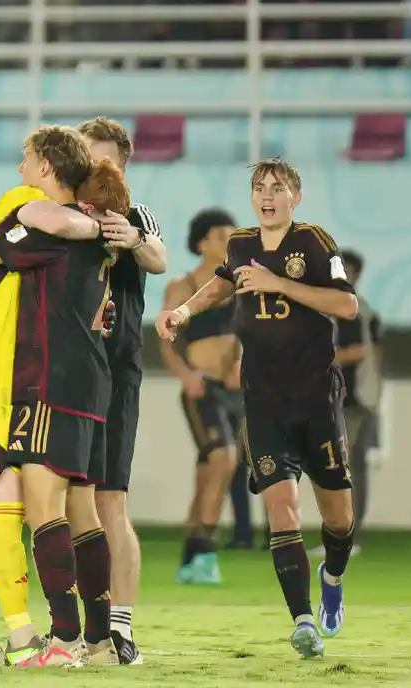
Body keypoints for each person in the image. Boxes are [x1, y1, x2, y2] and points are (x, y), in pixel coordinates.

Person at [155, 158, 359, 659]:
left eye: (277, 187)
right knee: (283, 510)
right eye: (259, 188)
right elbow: (224, 282)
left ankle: (331, 576)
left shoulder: (314, 242)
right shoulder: (241, 244)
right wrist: (182, 311)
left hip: (316, 399)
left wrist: (280, 284)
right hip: (263, 402)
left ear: (296, 197)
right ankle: (303, 620)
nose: (267, 195)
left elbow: (346, 306)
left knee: (338, 519)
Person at [0, 126, 129, 668]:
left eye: (26, 159)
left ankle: (59, 639)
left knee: (37, 510)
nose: (20, 171)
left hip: (46, 381)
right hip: (95, 385)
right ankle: (99, 643)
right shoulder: (107, 236)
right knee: (84, 511)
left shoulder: (45, 224)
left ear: (48, 167)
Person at [78, 116, 168, 665]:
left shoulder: (135, 216)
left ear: (124, 166)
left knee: (111, 499)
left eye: (106, 160)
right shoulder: (57, 215)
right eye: (88, 159)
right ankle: (72, 625)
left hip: (115, 373)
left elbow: (159, 259)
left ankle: (120, 626)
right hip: (63, 377)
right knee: (60, 502)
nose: (96, 170)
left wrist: (133, 239)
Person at [159, 209, 243, 585]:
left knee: (211, 473)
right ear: (202, 242)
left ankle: (191, 557)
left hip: (235, 391)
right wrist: (185, 375)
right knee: (225, 458)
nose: (229, 237)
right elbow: (167, 341)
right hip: (201, 389)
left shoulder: (241, 282)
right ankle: (206, 552)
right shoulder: (184, 285)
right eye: (220, 232)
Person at [315, 249, 381, 556]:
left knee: (346, 467)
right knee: (341, 467)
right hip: (342, 398)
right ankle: (341, 536)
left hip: (353, 400)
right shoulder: (338, 306)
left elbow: (357, 353)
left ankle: (347, 537)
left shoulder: (351, 308)